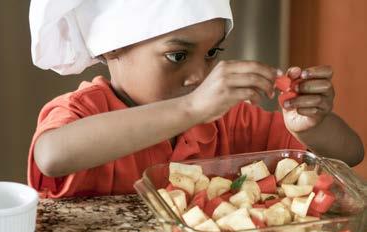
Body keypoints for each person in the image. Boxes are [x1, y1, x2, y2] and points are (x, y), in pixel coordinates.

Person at [28, 0, 364, 198]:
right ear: (113, 48)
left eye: (212, 53)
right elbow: (51, 156)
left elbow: (350, 153)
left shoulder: (228, 119)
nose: (200, 76)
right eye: (177, 56)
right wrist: (191, 108)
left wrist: (309, 126)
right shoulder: (83, 111)